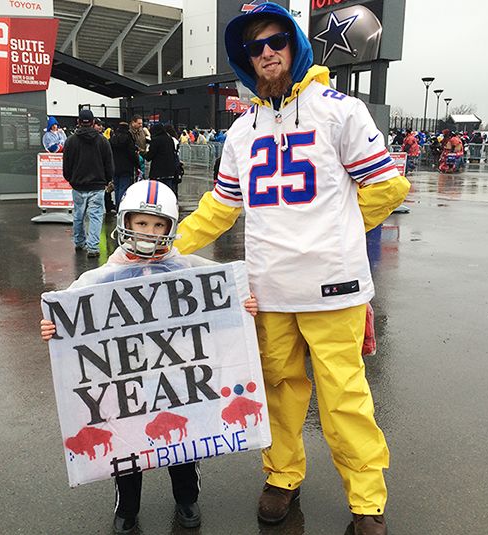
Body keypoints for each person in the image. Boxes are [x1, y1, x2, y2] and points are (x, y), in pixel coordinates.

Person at [173, 4, 409, 535]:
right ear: (245, 58)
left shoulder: (341, 111)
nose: (266, 52)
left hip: (335, 288)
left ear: (294, 43)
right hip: (269, 292)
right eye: (254, 46)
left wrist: (342, 229)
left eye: (275, 40)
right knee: (278, 391)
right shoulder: (240, 132)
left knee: (344, 398)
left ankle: (367, 502)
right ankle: (282, 476)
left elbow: (388, 187)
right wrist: (166, 248)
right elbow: (220, 205)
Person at [40, 180, 258, 534]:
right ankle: (127, 507)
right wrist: (54, 328)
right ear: (126, 223)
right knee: (127, 446)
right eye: (141, 223)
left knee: (184, 444)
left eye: (159, 225)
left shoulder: (187, 268)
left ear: (172, 229)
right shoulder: (99, 277)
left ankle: (187, 498)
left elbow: (222, 301)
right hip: (126, 379)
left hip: (176, 375)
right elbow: (69, 314)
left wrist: (241, 302)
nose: (150, 232)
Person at [62, 109, 114, 258]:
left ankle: (79, 242)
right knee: (95, 216)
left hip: (78, 184)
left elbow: (66, 165)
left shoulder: (71, 141)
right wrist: (107, 179)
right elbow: (108, 163)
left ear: (78, 122)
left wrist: (70, 179)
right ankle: (93, 247)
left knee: (78, 215)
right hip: (97, 184)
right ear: (92, 123)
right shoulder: (102, 141)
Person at [143, 123, 177, 195]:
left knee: (157, 193)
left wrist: (142, 153)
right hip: (170, 171)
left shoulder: (156, 140)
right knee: (167, 192)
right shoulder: (170, 139)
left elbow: (149, 156)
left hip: (158, 172)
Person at [109, 121, 137, 207]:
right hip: (126, 167)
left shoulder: (112, 139)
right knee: (124, 188)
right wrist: (136, 164)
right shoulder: (129, 138)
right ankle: (121, 207)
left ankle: (117, 206)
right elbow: (132, 153)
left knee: (117, 188)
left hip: (114, 167)